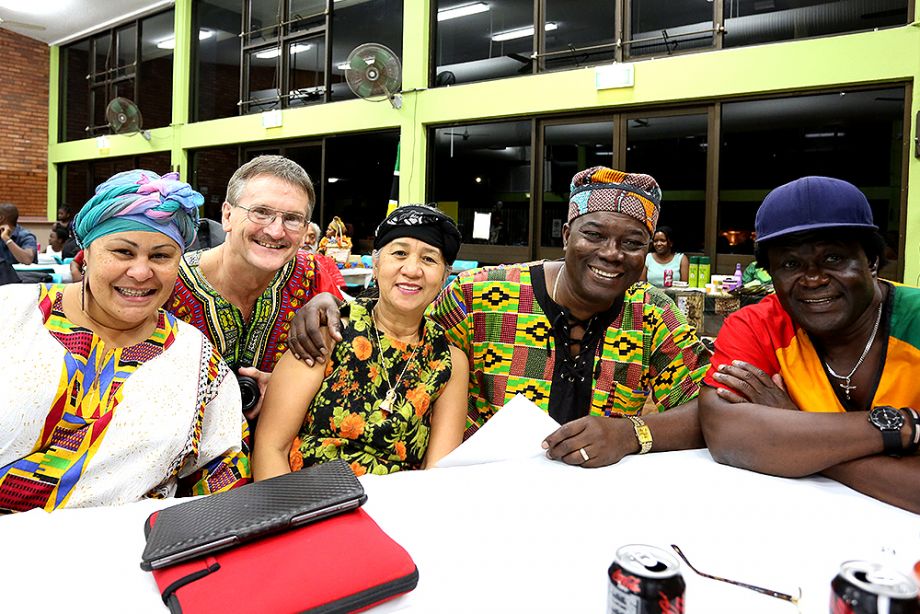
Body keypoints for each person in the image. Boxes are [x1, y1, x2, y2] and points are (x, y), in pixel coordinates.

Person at [291, 167, 710, 468]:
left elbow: (709, 412)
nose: (612, 253)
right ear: (566, 235)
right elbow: (399, 336)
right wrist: (334, 306)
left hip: (596, 500)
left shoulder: (654, 316)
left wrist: (629, 432)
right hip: (478, 492)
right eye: (594, 235)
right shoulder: (481, 295)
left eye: (632, 242)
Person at [0, 170, 250, 513]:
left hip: (133, 555)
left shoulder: (196, 359)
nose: (141, 272)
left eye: (161, 256)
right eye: (122, 251)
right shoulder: (11, 315)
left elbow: (222, 469)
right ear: (86, 252)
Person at [699, 176, 920, 513]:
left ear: (872, 261)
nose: (813, 279)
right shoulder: (756, 325)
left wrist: (795, 436)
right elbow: (726, 434)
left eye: (833, 258)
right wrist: (894, 428)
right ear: (771, 274)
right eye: (790, 264)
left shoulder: (915, 321)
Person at [253, 205, 469, 478]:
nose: (412, 270)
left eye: (429, 259)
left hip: (392, 511)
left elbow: (437, 473)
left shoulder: (448, 362)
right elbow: (271, 448)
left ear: (443, 278)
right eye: (399, 253)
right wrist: (287, 518)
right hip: (309, 502)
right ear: (376, 266)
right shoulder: (330, 329)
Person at [167, 156, 343, 420]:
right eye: (261, 212)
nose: (275, 231)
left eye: (293, 219)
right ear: (227, 215)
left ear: (306, 230)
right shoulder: (167, 284)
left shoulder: (311, 277)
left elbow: (342, 365)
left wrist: (287, 385)